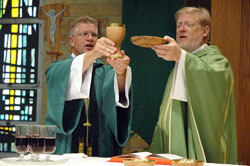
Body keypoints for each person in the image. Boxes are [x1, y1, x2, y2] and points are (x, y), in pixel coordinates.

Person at [150, 7, 237, 164]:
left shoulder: (216, 61)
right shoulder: (179, 63)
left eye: (188, 24)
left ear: (205, 31)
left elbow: (218, 81)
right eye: (178, 25)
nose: (181, 28)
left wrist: (181, 57)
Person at [45, 15, 133, 157]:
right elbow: (64, 78)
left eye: (94, 35)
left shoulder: (107, 71)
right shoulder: (57, 69)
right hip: (66, 149)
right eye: (84, 34)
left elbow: (121, 100)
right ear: (71, 40)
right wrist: (94, 53)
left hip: (101, 148)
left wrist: (121, 72)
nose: (90, 38)